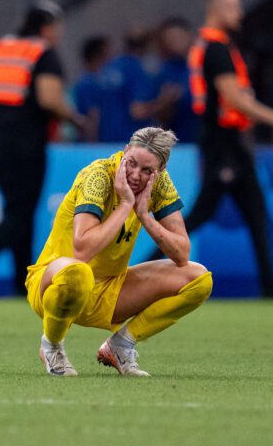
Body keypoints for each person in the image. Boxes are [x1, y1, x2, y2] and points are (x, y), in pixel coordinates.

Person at [27, 127, 211, 377]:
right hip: (53, 282)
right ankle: (52, 344)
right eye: (132, 163)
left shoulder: (158, 184)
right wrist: (126, 205)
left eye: (147, 170)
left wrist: (146, 216)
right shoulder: (98, 176)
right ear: (124, 152)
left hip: (109, 290)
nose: (136, 175)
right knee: (78, 273)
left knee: (198, 279)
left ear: (160, 171)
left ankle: (121, 346)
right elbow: (81, 250)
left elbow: (181, 254)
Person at [0, 1, 83, 297]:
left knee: (16, 209)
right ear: (48, 27)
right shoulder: (44, 53)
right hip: (25, 141)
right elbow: (49, 98)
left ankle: (21, 285)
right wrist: (74, 118)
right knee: (23, 212)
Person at [181, 0, 273, 298]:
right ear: (216, 10)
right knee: (200, 214)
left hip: (230, 142)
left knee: (255, 211)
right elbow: (233, 98)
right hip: (223, 143)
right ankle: (136, 271)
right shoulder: (217, 50)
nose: (240, 13)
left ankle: (270, 285)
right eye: (233, 7)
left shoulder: (215, 46)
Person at [72, 35, 111, 142]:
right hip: (93, 142)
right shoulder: (89, 83)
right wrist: (93, 145)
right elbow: (92, 116)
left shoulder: (87, 81)